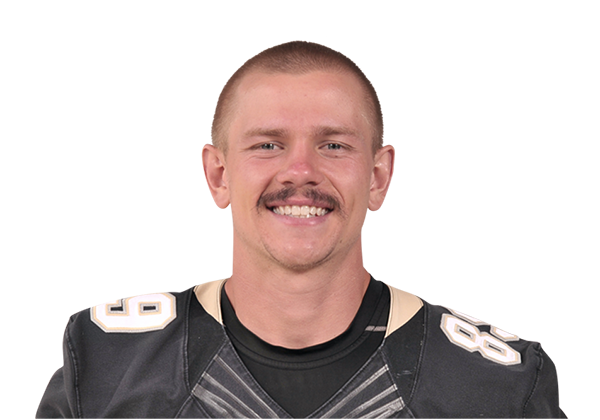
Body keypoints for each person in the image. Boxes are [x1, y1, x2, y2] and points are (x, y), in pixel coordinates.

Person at [37, 41, 564, 419]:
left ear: (377, 177)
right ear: (219, 175)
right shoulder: (107, 363)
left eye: (333, 145)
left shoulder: (498, 385)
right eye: (268, 144)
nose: (301, 171)